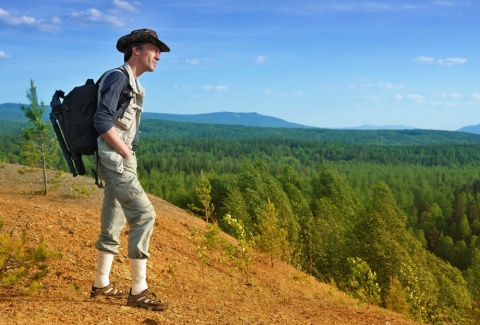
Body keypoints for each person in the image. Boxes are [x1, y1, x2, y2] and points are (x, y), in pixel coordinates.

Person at [89, 29, 170, 311]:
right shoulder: (118, 77)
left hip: (120, 157)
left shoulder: (131, 81)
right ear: (136, 50)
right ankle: (139, 291)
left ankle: (102, 284)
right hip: (116, 158)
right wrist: (124, 152)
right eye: (154, 49)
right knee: (144, 214)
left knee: (114, 219)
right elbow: (101, 119)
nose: (158, 55)